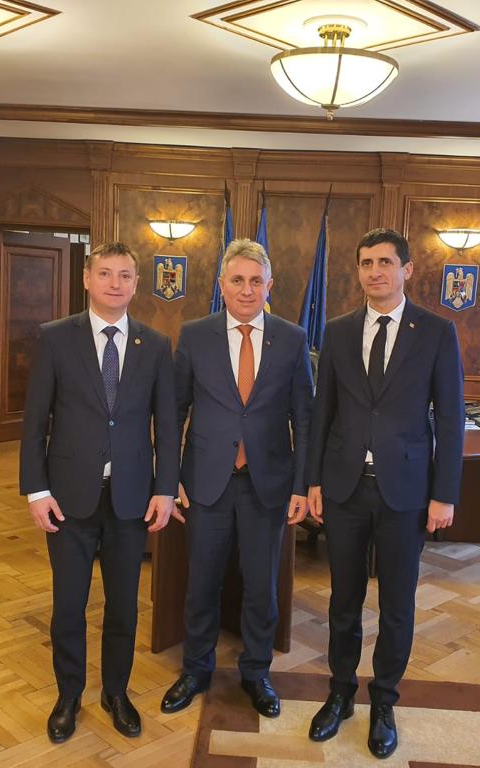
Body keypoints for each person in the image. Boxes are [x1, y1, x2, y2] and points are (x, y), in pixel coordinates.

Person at [305, 228, 464, 759]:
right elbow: (322, 413)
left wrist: (444, 494)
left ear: (407, 270)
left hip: (407, 492)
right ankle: (340, 693)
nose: (375, 271)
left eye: (386, 262)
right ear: (358, 271)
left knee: (397, 604)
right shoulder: (337, 331)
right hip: (345, 488)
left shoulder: (437, 332)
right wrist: (314, 481)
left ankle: (384, 702)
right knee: (343, 600)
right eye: (366, 263)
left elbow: (451, 417)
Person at [19, 242, 178, 744]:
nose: (115, 283)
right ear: (87, 279)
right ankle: (68, 695)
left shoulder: (155, 345)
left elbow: (167, 425)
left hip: (131, 499)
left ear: (136, 284)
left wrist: (165, 489)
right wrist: (36, 490)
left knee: (124, 606)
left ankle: (116, 692)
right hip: (67, 498)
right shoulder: (55, 338)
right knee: (69, 605)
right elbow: (35, 421)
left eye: (125, 275)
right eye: (105, 273)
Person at [160, 238, 313, 718]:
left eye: (255, 281)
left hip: (267, 484)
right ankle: (196, 669)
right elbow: (175, 410)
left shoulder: (292, 338)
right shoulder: (195, 335)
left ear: (270, 286)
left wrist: (300, 485)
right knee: (201, 582)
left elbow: (304, 417)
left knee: (262, 586)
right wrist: (169, 477)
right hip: (205, 481)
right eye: (238, 280)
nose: (247, 290)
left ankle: (256, 671)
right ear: (222, 285)